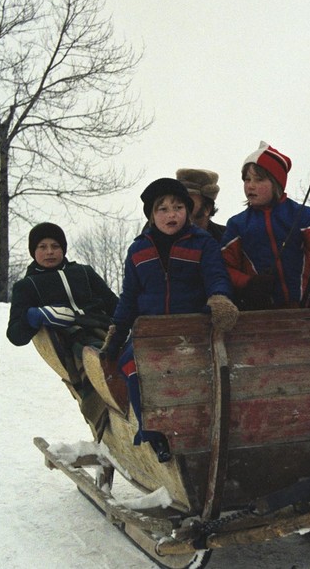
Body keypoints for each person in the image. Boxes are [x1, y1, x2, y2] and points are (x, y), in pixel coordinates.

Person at [101, 178, 239, 462]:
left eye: (178, 207)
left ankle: (201, 432)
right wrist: (115, 338)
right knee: (134, 370)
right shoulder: (138, 250)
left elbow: (216, 277)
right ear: (152, 215)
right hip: (150, 334)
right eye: (162, 209)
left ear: (188, 212)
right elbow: (129, 299)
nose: (171, 214)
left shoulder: (203, 244)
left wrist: (219, 299)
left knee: (197, 376)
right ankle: (154, 435)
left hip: (191, 331)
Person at [6, 222, 119, 437]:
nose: (49, 252)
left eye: (55, 246)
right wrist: (32, 317)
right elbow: (15, 335)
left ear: (63, 249)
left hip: (105, 328)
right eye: (42, 246)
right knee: (97, 360)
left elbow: (114, 305)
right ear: (33, 251)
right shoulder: (27, 286)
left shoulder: (83, 273)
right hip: (73, 342)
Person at [221, 142, 310, 310]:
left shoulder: (300, 214)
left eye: (259, 179)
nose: (250, 185)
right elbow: (223, 267)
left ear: (276, 183)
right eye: (247, 179)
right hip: (255, 314)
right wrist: (249, 284)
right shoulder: (238, 224)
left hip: (302, 311)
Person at [177, 168, 225, 241]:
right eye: (179, 200)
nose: (181, 207)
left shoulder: (227, 239)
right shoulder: (162, 237)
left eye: (188, 201)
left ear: (207, 208)